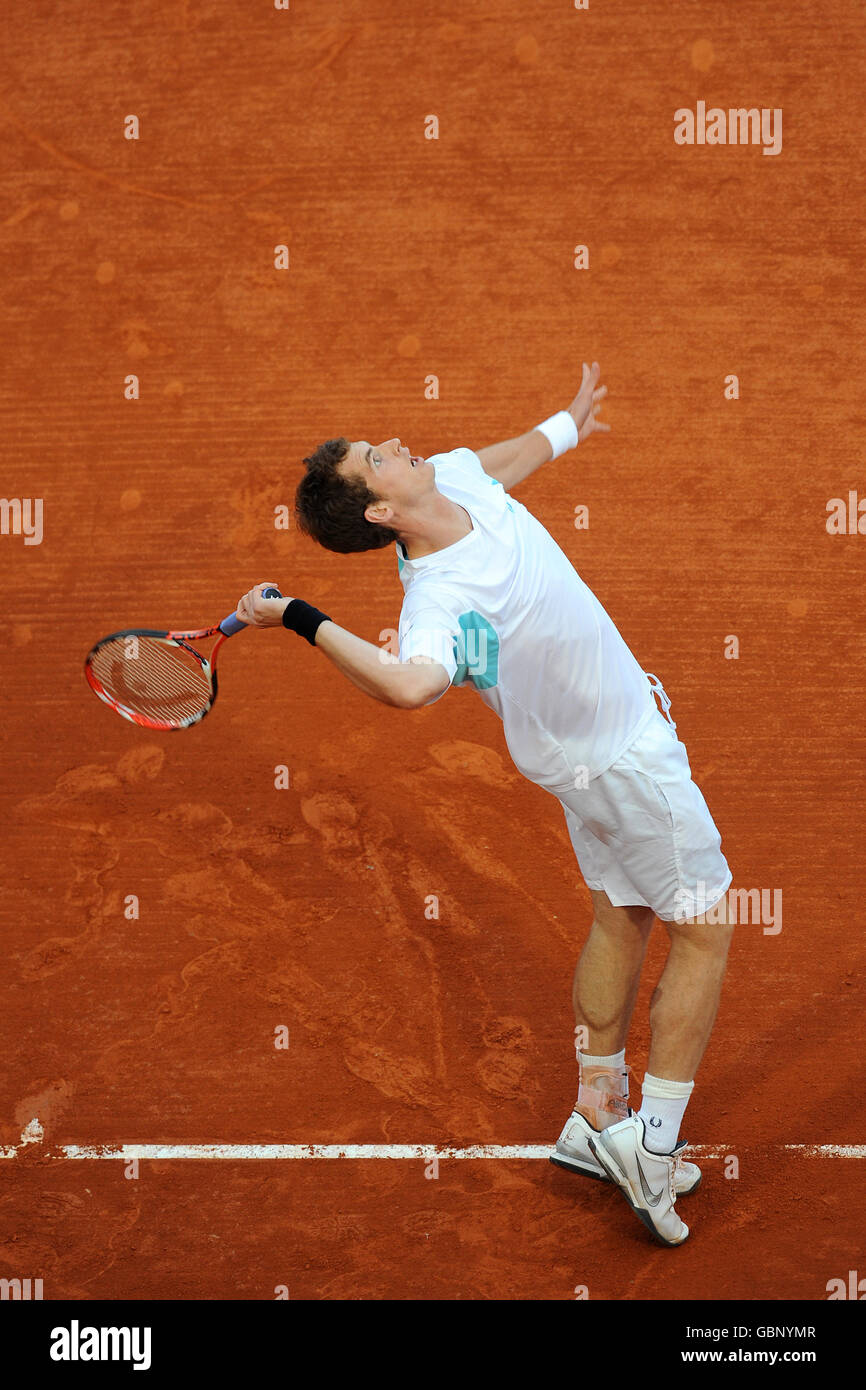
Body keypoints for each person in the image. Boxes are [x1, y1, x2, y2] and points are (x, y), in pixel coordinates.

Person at [235, 363, 733, 1247]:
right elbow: (409, 684)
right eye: (374, 458)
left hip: (580, 762)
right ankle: (653, 1147)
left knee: (621, 916)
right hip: (621, 761)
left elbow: (500, 463)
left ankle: (594, 1113)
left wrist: (569, 424)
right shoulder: (441, 600)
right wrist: (300, 618)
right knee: (705, 926)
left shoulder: (452, 475)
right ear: (381, 511)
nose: (393, 444)